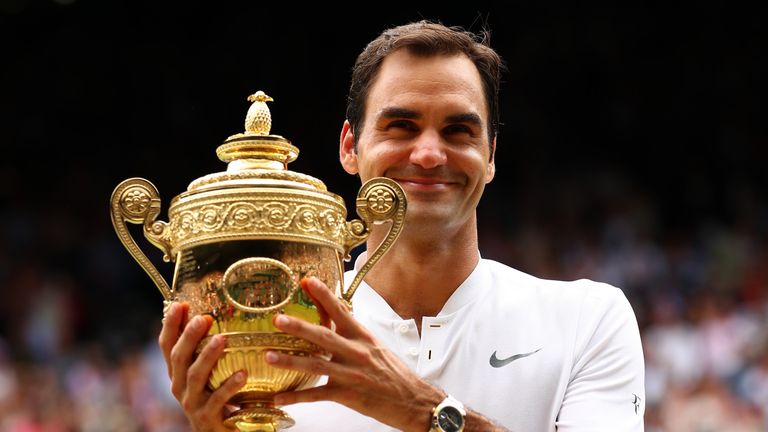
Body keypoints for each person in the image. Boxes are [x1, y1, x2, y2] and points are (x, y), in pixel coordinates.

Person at [159, 20, 646, 431]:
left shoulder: (587, 320)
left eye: (459, 130)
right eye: (401, 126)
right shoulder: (274, 339)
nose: (430, 154)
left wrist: (424, 411)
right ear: (350, 147)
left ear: (491, 155)